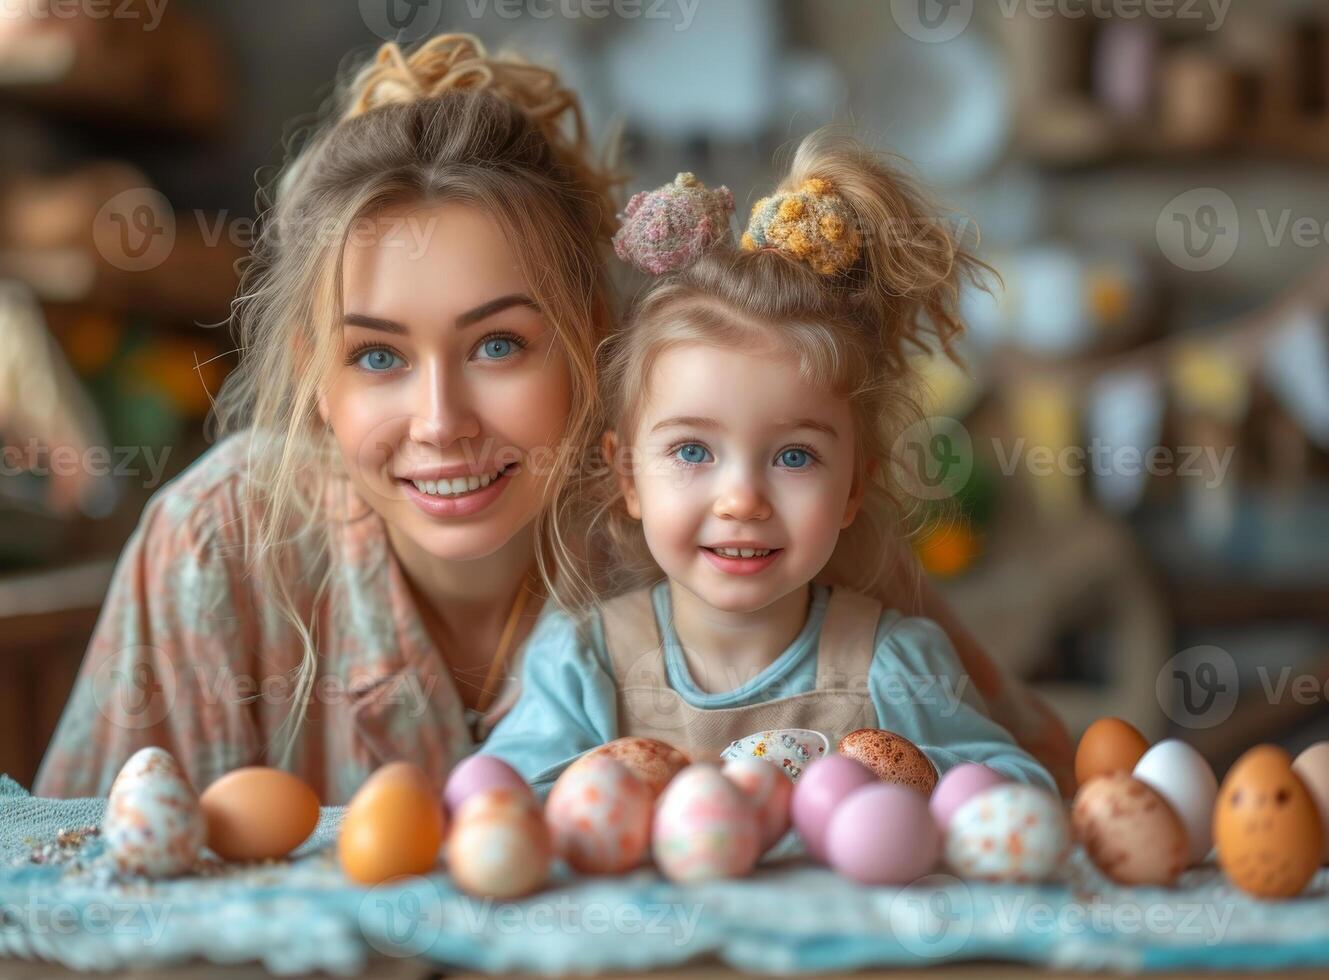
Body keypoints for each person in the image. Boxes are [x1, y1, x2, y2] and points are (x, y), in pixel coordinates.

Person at [35, 35, 1073, 805]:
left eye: (498, 345)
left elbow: (1042, 780)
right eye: (378, 356)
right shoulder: (219, 545)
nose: (440, 421)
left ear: (588, 334)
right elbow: (72, 889)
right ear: (314, 372)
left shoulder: (722, 506)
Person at [481, 150, 1057, 796]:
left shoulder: (888, 666)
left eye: (793, 457)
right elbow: (491, 808)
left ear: (853, 488)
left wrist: (891, 793)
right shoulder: (585, 663)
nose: (742, 500)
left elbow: (1016, 793)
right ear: (627, 475)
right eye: (693, 451)